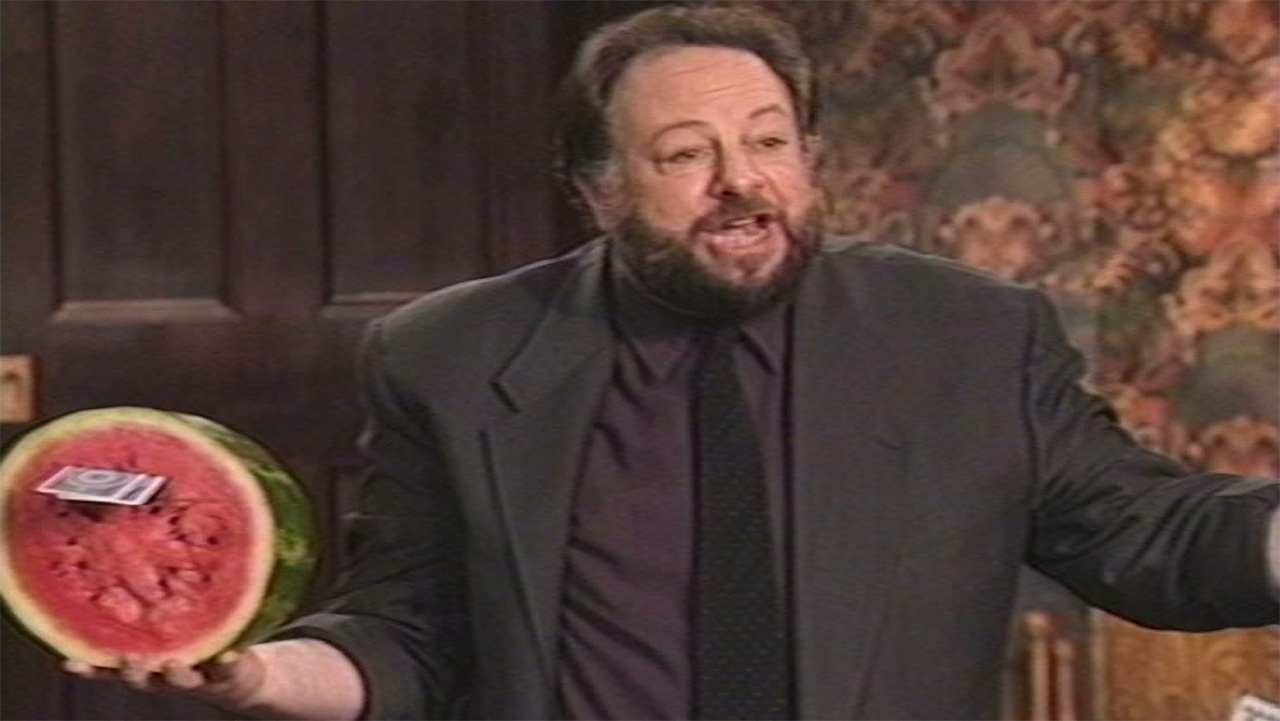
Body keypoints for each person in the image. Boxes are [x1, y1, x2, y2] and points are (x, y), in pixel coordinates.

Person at [68, 5, 1279, 720]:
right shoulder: (449, 354)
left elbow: (1149, 529)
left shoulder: (964, 335)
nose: (741, 182)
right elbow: (413, 627)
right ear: (596, 189)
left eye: (769, 143)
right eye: (685, 155)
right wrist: (267, 673)